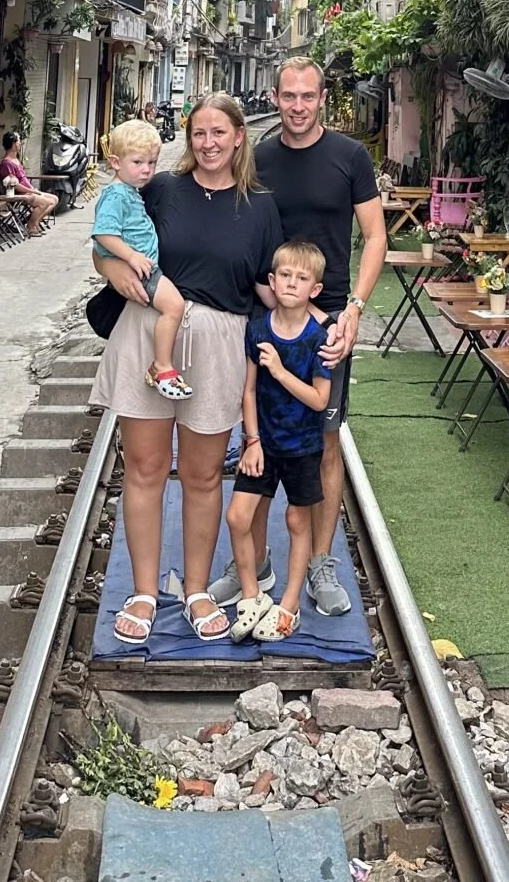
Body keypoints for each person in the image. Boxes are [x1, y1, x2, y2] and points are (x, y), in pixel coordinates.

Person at [89, 94, 282, 645]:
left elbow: (268, 285)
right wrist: (112, 268)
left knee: (201, 475)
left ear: (240, 136)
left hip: (221, 341)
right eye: (199, 133)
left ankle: (196, 587)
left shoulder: (261, 206)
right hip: (151, 332)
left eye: (219, 132)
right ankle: (146, 590)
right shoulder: (161, 189)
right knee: (145, 470)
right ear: (188, 138)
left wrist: (319, 318)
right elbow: (106, 238)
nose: (209, 143)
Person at [211, 57, 386, 619]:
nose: (298, 106)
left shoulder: (350, 157)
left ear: (322, 97)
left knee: (323, 442)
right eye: (288, 96)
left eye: (308, 96)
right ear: (276, 96)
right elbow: (239, 227)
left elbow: (375, 236)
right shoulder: (257, 158)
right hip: (267, 317)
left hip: (328, 321)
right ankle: (256, 564)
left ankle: (320, 563)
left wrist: (354, 309)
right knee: (258, 438)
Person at [228, 240, 332, 641]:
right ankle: (253, 595)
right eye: (284, 276)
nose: (291, 284)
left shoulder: (318, 338)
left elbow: (320, 399)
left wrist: (282, 371)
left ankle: (289, 604)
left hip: (302, 446)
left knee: (295, 519)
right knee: (238, 516)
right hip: (264, 445)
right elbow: (249, 391)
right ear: (271, 281)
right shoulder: (257, 329)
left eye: (301, 278)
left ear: (314, 289)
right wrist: (251, 440)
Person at [92, 119, 192, 400]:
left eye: (152, 162)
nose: (146, 170)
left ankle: (161, 364)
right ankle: (162, 365)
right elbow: (103, 234)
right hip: (143, 272)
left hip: (145, 268)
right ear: (115, 162)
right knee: (174, 307)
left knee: (172, 307)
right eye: (137, 162)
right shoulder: (116, 195)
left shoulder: (129, 192)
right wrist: (130, 256)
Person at [0, 131, 58, 238]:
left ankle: (35, 222)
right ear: (13, 144)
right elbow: (14, 185)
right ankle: (31, 225)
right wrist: (31, 191)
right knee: (45, 202)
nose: (20, 143)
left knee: (54, 199)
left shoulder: (16, 160)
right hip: (20, 194)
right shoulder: (6, 163)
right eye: (19, 141)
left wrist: (32, 189)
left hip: (28, 191)